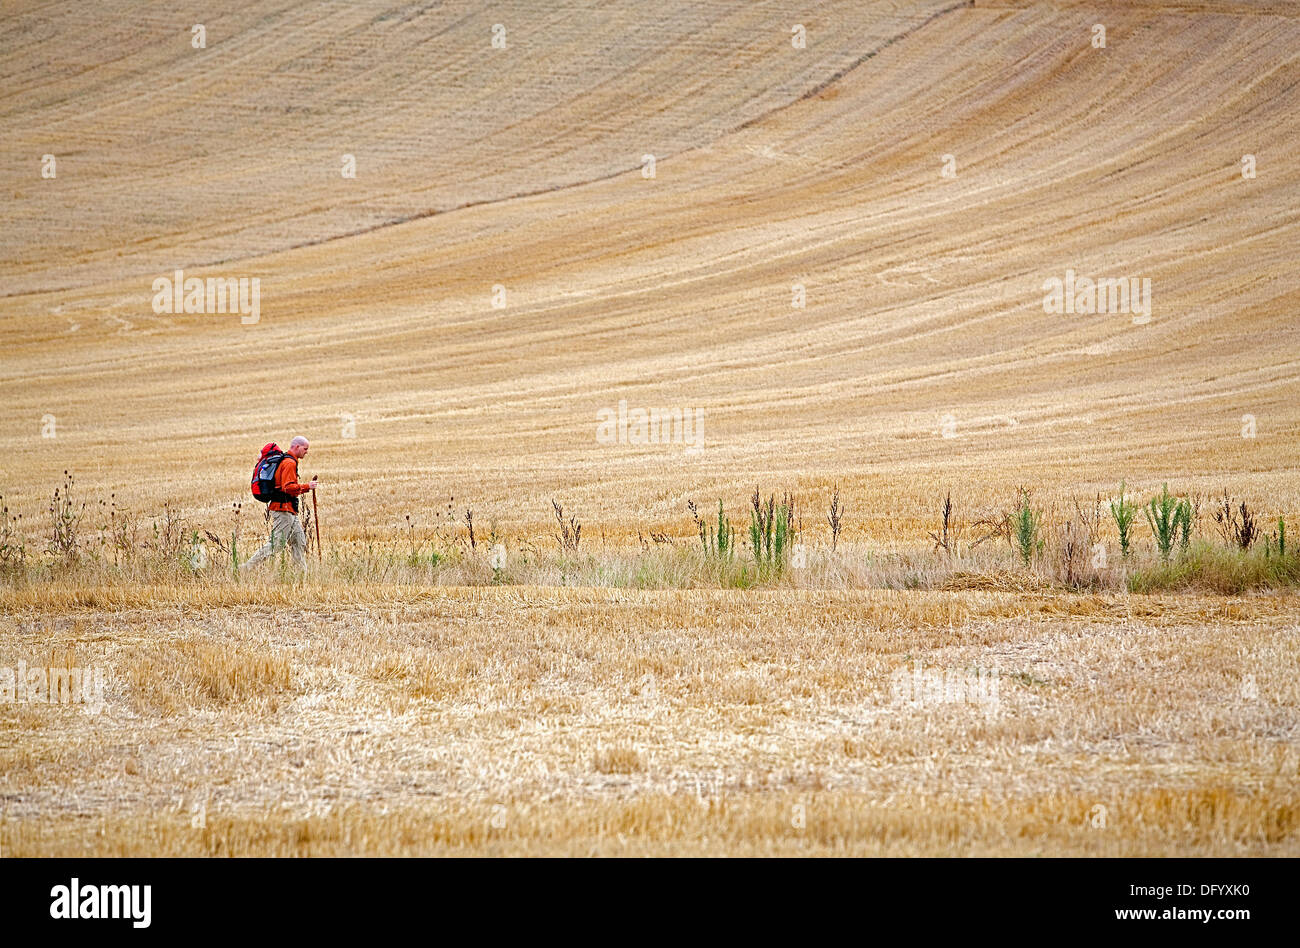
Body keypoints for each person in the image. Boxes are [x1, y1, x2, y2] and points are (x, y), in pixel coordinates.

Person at [241, 436, 317, 570]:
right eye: (305, 449)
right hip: (283, 510)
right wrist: (307, 486)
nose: (307, 452)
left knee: (299, 542)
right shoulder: (289, 463)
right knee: (277, 544)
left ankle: (300, 575)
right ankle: (246, 568)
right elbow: (287, 487)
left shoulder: (289, 461)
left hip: (289, 510)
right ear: (296, 447)